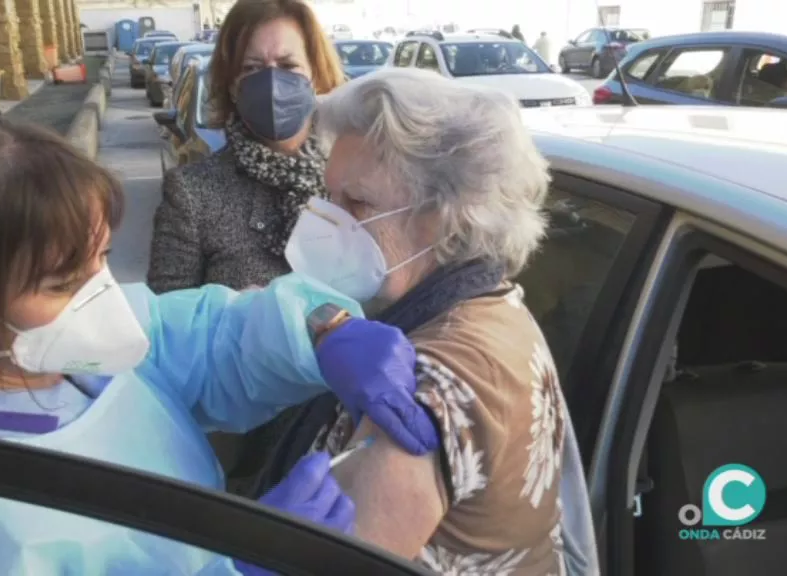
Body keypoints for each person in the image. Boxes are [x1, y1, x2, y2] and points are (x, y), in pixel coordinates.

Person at [0, 109, 438, 575]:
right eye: (60, 282)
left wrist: (320, 330)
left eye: (101, 257)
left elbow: (207, 338)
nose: (101, 294)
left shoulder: (54, 349)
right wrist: (246, 565)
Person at [252, 68, 600, 575]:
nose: (330, 221)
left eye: (357, 203)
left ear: (442, 216)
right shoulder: (490, 302)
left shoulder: (423, 388)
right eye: (328, 197)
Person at [147, 0, 346, 494]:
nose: (272, 83)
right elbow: (165, 331)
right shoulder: (193, 191)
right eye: (253, 68)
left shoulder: (356, 180)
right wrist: (244, 316)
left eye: (288, 66)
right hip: (250, 456)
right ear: (231, 84)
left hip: (352, 438)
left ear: (317, 72)